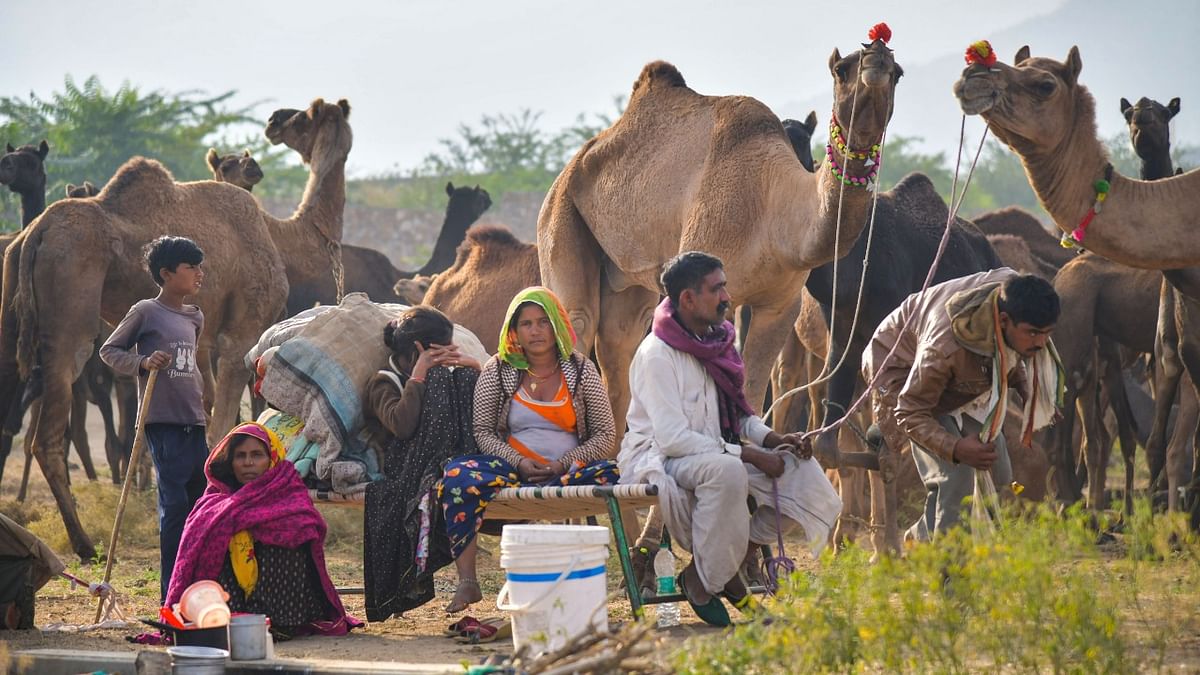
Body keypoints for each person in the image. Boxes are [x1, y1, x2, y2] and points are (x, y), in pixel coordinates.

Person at [619, 251, 842, 627]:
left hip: (715, 452)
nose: (727, 297)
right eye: (716, 289)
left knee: (800, 470)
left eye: (724, 286)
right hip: (659, 457)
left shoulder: (718, 343)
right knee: (728, 471)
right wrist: (751, 457)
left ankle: (726, 566)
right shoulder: (657, 355)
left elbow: (738, 415)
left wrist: (773, 440)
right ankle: (708, 583)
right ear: (688, 299)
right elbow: (673, 439)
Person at [438, 286, 619, 614]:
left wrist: (565, 463)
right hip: (512, 471)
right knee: (456, 476)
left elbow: (606, 435)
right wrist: (518, 461)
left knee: (611, 473)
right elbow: (483, 431)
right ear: (513, 330)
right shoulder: (498, 369)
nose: (535, 331)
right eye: (526, 323)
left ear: (557, 325)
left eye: (542, 322)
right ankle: (467, 580)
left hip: (569, 474)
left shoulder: (580, 370)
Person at [862, 269, 1062, 542]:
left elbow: (1012, 355)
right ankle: (951, 575)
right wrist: (955, 448)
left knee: (998, 468)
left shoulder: (1015, 299)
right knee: (958, 475)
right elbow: (910, 410)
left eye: (1047, 334)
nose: (1041, 343)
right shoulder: (944, 350)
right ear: (1003, 321)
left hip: (957, 380)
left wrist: (1028, 390)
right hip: (901, 370)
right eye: (1034, 333)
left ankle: (921, 538)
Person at [166, 423, 360, 638]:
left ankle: (277, 622)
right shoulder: (214, 501)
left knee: (292, 535)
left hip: (284, 605)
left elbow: (308, 525)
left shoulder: (288, 490)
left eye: (257, 455)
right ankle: (233, 617)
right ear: (231, 463)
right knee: (219, 537)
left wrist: (261, 532)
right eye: (240, 456)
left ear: (271, 458)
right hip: (226, 607)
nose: (248, 462)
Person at [100, 235, 208, 602]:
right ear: (165, 273)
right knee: (175, 507)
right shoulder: (146, 311)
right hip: (162, 422)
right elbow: (109, 350)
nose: (199, 273)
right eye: (190, 267)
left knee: (199, 506)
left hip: (194, 421)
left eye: (199, 266)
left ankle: (196, 590)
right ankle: (171, 596)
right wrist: (143, 363)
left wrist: (204, 403)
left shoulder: (195, 317)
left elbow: (193, 365)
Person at [362, 306, 481, 622]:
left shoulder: (449, 379)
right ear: (417, 351)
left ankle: (463, 466)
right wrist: (421, 375)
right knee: (443, 377)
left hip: (451, 461)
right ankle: (447, 468)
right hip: (407, 467)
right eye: (435, 352)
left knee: (466, 375)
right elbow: (400, 426)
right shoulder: (383, 381)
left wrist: (474, 369)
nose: (443, 358)